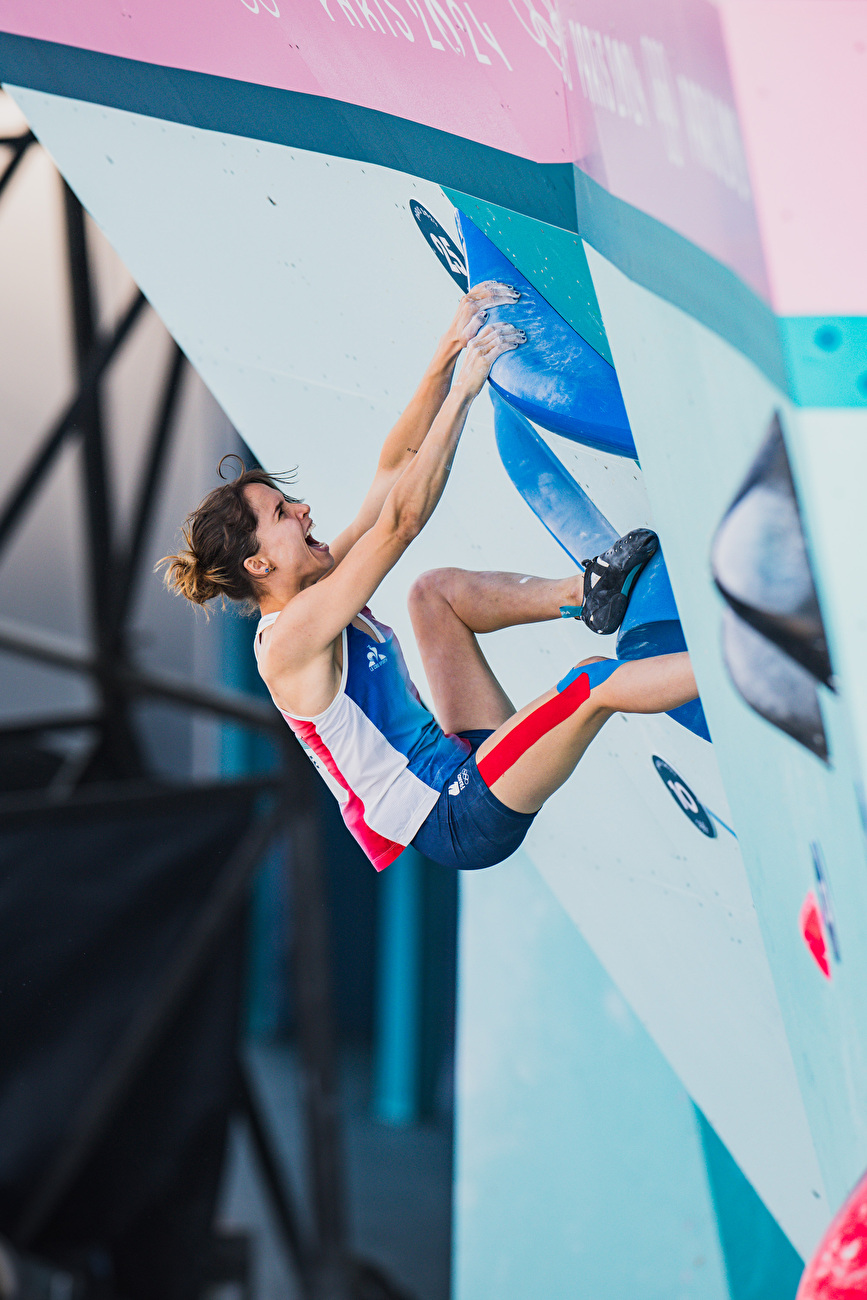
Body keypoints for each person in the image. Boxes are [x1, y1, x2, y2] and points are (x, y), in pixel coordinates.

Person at [161, 281, 698, 871]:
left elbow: (391, 472)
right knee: (591, 686)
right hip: (454, 816)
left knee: (431, 593)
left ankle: (590, 593)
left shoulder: (314, 587)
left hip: (460, 756)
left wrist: (449, 347)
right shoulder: (287, 643)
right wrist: (463, 391)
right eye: (283, 515)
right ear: (258, 565)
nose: (303, 510)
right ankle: (740, 666)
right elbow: (400, 523)